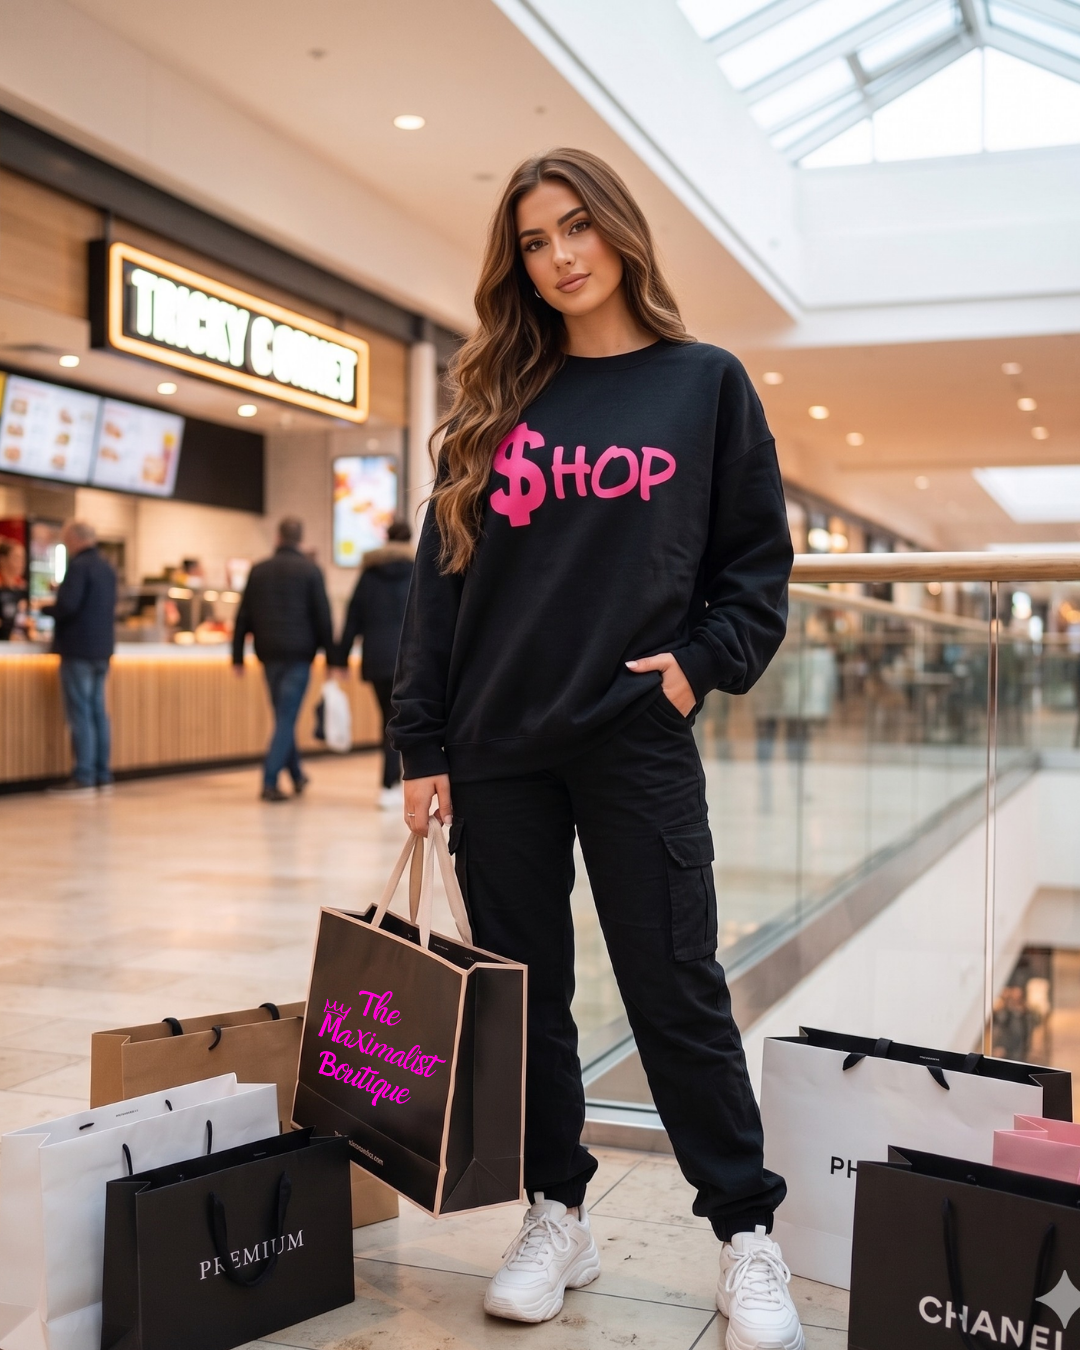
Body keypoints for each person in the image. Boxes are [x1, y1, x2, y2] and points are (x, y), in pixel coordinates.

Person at [391, 149, 800, 1349]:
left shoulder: (703, 385)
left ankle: (744, 1233)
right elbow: (440, 588)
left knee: (675, 985)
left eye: (578, 228)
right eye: (533, 241)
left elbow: (754, 573)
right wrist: (424, 743)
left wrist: (696, 666)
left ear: (619, 233)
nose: (561, 256)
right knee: (527, 1003)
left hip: (634, 739)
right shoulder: (494, 401)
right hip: (498, 745)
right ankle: (556, 1211)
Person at [232, 516, 333, 802]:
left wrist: (237, 655)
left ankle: (297, 775)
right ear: (300, 539)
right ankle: (269, 780)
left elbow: (243, 616)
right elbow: (322, 616)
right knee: (286, 718)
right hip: (300, 655)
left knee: (282, 716)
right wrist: (333, 659)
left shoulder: (259, 570)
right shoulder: (310, 571)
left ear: (277, 537)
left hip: (268, 655)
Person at [331, 519, 414, 809]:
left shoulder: (369, 575)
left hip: (377, 659)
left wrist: (339, 659)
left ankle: (390, 783)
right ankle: (395, 780)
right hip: (410, 660)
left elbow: (353, 616)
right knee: (405, 718)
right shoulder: (417, 571)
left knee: (388, 719)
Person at [45, 521, 117, 795]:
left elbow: (68, 605)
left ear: (74, 539)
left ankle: (83, 775)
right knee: (98, 711)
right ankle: (102, 773)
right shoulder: (106, 567)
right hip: (102, 649)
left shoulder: (78, 566)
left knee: (81, 713)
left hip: (78, 649)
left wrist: (45, 608)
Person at [0, 538, 29, 641]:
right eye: (16, 558)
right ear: (2, 559)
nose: (21, 563)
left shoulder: (22, 586)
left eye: (23, 559)